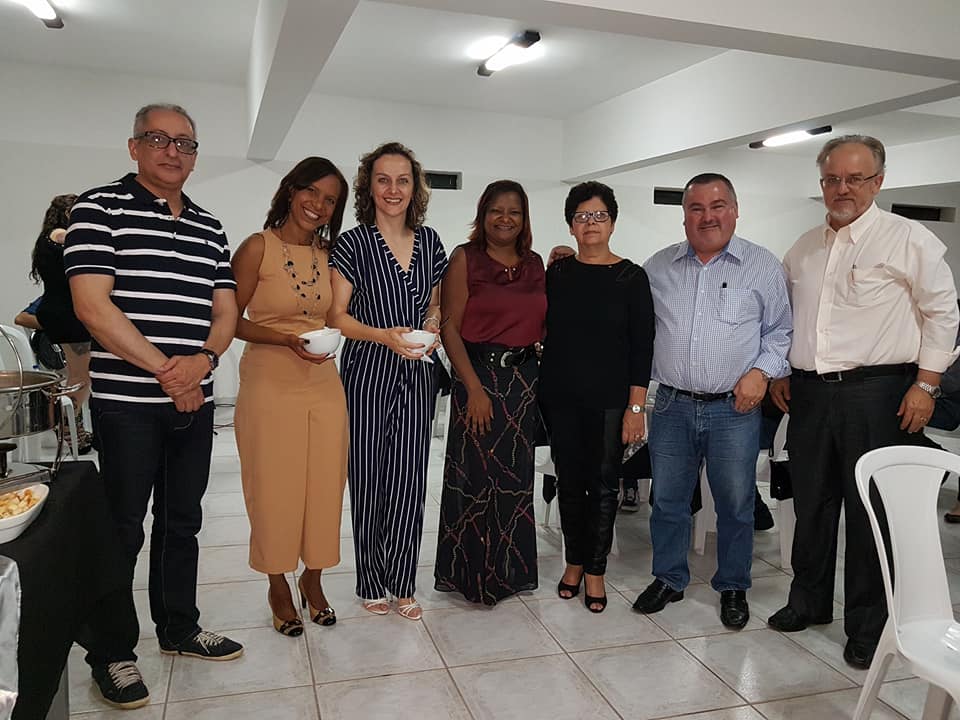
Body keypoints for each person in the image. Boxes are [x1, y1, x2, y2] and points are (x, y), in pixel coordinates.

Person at [65, 103, 242, 708]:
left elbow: (225, 310)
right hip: (128, 405)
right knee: (122, 527)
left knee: (182, 521)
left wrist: (205, 361)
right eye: (159, 139)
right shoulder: (98, 208)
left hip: (194, 400)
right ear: (134, 146)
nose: (173, 151)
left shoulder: (209, 226)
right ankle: (112, 652)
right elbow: (93, 307)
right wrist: (171, 371)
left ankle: (179, 627)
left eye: (185, 143)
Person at [768, 135, 959, 669]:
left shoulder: (908, 239)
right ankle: (807, 601)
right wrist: (783, 368)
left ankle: (867, 625)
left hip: (878, 393)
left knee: (869, 508)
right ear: (822, 183)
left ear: (878, 182)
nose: (842, 188)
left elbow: (943, 313)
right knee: (811, 501)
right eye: (832, 179)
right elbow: (786, 316)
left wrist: (926, 384)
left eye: (855, 178)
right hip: (808, 393)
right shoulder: (803, 248)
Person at [633, 173, 791, 629]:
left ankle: (733, 585)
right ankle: (669, 578)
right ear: (684, 216)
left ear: (735, 211)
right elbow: (635, 328)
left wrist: (761, 372)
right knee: (668, 501)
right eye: (696, 208)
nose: (708, 216)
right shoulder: (657, 268)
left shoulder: (762, 266)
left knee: (736, 504)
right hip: (671, 405)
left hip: (733, 410)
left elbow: (781, 331)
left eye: (718, 206)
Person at [328, 141, 448, 620]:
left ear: (415, 187)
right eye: (383, 180)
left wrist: (433, 323)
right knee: (368, 476)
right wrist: (383, 336)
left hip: (417, 373)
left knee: (409, 479)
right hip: (367, 371)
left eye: (402, 180)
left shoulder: (431, 242)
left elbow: (436, 301)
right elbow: (336, 316)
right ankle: (371, 579)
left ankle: (403, 581)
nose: (393, 189)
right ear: (369, 187)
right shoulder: (352, 244)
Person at [232, 157, 350, 635]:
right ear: (291, 189)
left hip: (323, 381)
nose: (318, 205)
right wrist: (283, 339)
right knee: (274, 486)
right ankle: (278, 582)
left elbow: (337, 315)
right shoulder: (256, 247)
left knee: (325, 483)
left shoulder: (329, 254)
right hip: (268, 380)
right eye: (311, 192)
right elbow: (229, 320)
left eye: (330, 200)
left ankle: (313, 578)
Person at [539, 181, 655, 613]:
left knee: (604, 487)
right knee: (568, 484)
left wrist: (636, 407)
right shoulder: (558, 275)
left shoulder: (631, 278)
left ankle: (596, 571)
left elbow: (643, 348)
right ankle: (573, 562)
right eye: (582, 216)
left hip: (610, 400)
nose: (591, 223)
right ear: (571, 225)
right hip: (561, 396)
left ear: (613, 222)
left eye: (599, 215)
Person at [434, 180, 546, 605]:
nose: (505, 218)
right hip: (477, 377)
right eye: (496, 210)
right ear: (482, 215)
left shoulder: (535, 263)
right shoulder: (466, 258)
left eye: (514, 211)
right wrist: (473, 388)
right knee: (475, 480)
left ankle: (509, 574)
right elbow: (449, 328)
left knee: (514, 481)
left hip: (523, 384)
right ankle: (470, 576)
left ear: (524, 218)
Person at [30, 193, 94, 452]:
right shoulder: (61, 235)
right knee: (81, 376)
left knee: (79, 375)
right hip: (67, 316)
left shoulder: (45, 239)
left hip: (58, 313)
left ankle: (70, 426)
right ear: (68, 213)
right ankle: (67, 425)